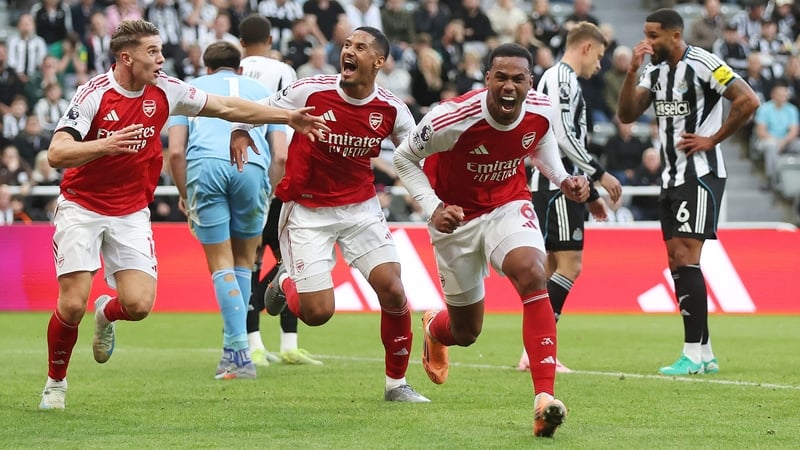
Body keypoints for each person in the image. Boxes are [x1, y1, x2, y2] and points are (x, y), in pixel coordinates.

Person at [38, 19, 327, 410]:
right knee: (71, 306)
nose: (161, 59)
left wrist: (286, 117)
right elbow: (56, 154)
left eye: (160, 50)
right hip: (82, 206)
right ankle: (56, 384)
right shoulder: (94, 94)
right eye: (152, 52)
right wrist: (104, 146)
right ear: (126, 57)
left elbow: (226, 107)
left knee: (138, 306)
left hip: (131, 211)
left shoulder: (168, 90)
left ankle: (107, 311)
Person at [393, 43, 590, 437]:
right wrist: (433, 207)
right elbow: (403, 158)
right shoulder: (452, 117)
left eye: (518, 78)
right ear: (487, 79)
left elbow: (539, 146)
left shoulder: (541, 108)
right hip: (455, 218)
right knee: (466, 332)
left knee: (533, 273)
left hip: (508, 204)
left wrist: (563, 179)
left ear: (530, 82)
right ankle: (435, 329)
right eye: (500, 77)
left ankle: (544, 399)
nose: (509, 86)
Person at [231, 26, 430, 403]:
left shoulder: (391, 108)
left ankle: (396, 385)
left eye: (360, 47)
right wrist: (242, 129)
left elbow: (413, 156)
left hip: (361, 209)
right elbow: (268, 107)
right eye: (346, 45)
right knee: (318, 313)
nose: (348, 52)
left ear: (379, 61)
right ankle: (283, 283)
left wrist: (433, 199)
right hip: (307, 210)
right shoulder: (312, 89)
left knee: (394, 289)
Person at [617, 9, 760, 376]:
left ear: (675, 35)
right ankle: (706, 352)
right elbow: (628, 114)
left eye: (654, 35)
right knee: (677, 260)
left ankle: (691, 354)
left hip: (700, 174)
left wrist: (713, 138)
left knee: (685, 257)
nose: (647, 42)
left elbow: (748, 100)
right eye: (645, 34)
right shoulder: (654, 70)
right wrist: (632, 70)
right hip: (670, 176)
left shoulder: (704, 62)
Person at [167, 41, 285, 378]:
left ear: (206, 69)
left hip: (205, 167)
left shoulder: (189, 91)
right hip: (252, 169)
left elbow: (175, 152)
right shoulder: (261, 89)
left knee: (220, 263)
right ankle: (237, 351)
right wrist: (269, 191)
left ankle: (238, 354)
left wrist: (184, 193)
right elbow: (280, 155)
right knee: (244, 264)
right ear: (241, 69)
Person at [523, 22, 622, 373]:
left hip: (557, 186)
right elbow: (563, 136)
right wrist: (599, 174)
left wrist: (591, 192)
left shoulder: (560, 79)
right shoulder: (562, 78)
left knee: (549, 268)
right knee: (569, 266)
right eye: (600, 54)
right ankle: (538, 351)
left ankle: (533, 351)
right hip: (558, 187)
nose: (600, 63)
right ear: (586, 47)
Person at [237, 14, 322, 367]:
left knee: (249, 264)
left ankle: (252, 343)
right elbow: (287, 131)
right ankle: (288, 343)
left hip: (238, 175)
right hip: (275, 179)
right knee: (289, 262)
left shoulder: (231, 71)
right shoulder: (283, 71)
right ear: (270, 40)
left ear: (241, 42)